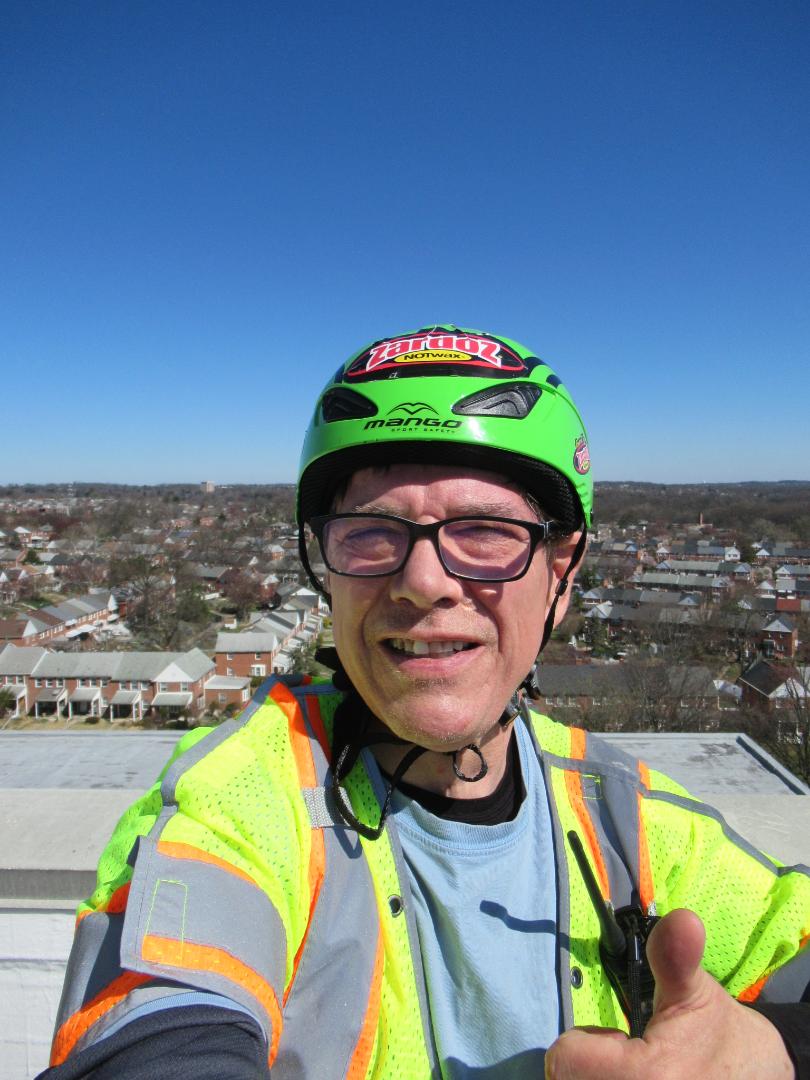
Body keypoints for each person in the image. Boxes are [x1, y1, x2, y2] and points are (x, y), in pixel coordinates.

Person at [42, 326, 809, 1080]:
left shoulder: (629, 822)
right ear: (328, 572)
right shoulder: (241, 801)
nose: (424, 581)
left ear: (562, 575)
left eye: (484, 532)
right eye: (372, 533)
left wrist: (775, 1049)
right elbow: (155, 1030)